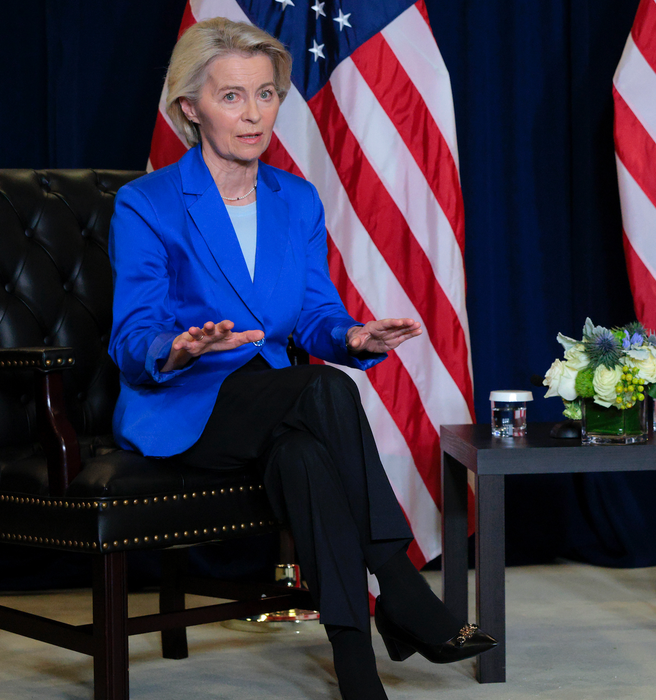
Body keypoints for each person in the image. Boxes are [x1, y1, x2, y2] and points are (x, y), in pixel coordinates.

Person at [108, 18, 494, 700]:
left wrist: (350, 338)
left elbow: (314, 315)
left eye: (265, 94)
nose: (254, 113)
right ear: (191, 107)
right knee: (324, 394)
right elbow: (132, 334)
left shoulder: (298, 200)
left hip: (280, 405)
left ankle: (355, 668)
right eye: (232, 97)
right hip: (187, 407)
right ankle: (401, 590)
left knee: (307, 457)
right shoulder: (147, 203)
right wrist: (177, 346)